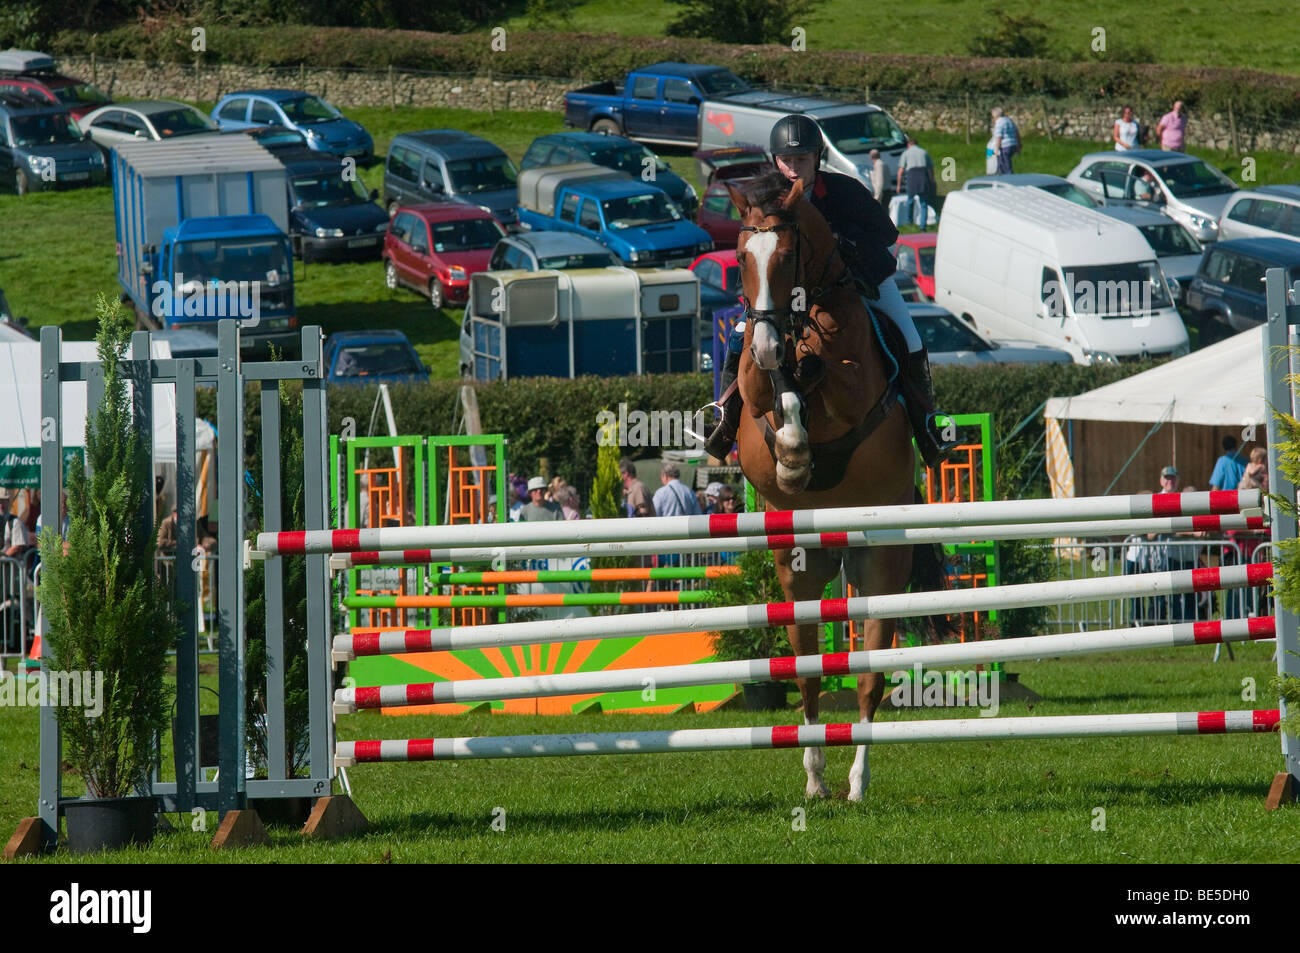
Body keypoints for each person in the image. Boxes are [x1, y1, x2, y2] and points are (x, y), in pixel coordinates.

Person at [703, 114, 956, 469]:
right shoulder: (768, 200)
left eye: (801, 160)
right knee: (741, 335)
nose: (793, 169)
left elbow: (887, 233)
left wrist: (842, 243)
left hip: (859, 281)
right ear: (775, 160)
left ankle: (927, 422)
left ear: (817, 158)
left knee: (909, 338)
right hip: (788, 294)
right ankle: (724, 418)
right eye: (786, 161)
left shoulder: (844, 190)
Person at [895, 136, 935, 230]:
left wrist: (898, 185)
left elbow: (900, 171)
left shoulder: (906, 153)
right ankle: (923, 225)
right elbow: (931, 169)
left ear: (909, 145)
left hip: (912, 177)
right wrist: (932, 180)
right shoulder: (924, 152)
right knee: (924, 203)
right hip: (923, 177)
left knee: (910, 200)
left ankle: (909, 221)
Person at [0, 487, 33, 558]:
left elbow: (17, 546)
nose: (1, 504)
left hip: (11, 566)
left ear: (8, 501)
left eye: (3, 501)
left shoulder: (15, 522)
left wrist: (2, 559)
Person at [990, 107, 1020, 175]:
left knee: (1005, 165)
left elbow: (999, 136)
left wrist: (996, 149)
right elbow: (1017, 132)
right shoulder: (1009, 120)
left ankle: (1008, 178)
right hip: (1013, 144)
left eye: (993, 116)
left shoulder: (999, 122)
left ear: (995, 116)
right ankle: (1003, 174)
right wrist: (1019, 145)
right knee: (1005, 163)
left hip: (1005, 146)